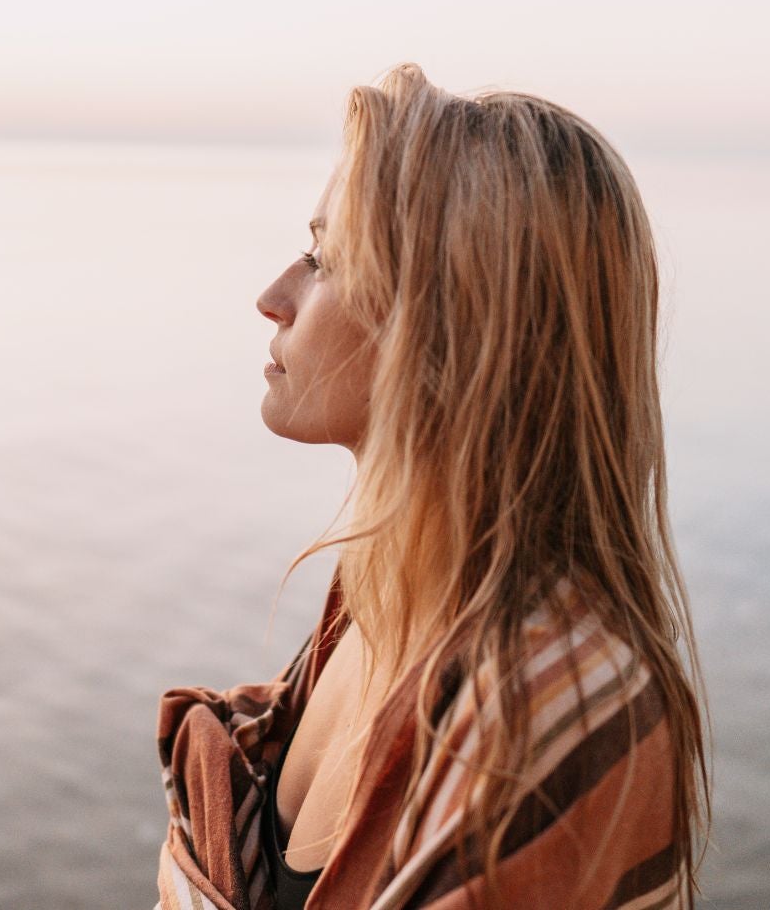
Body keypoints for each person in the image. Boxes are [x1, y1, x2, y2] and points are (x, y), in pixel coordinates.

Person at [154, 64, 708, 909]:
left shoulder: (553, 704)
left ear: (455, 322)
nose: (273, 298)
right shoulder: (375, 597)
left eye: (328, 257)